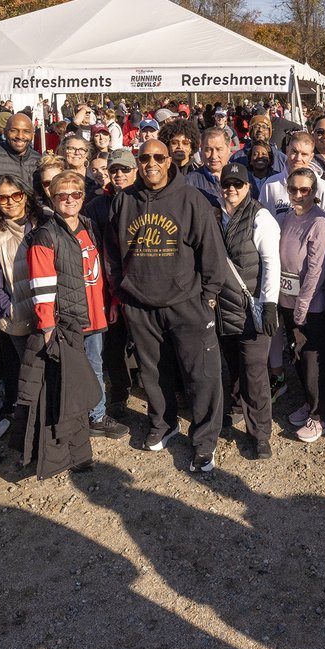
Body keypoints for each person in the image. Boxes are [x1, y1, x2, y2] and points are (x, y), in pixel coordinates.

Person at [105, 139, 226, 473]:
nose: (151, 163)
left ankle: (204, 441)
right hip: (140, 305)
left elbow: (212, 255)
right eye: (144, 158)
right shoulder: (123, 201)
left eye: (159, 157)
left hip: (187, 302)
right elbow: (112, 253)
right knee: (152, 372)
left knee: (201, 374)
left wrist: (207, 298)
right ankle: (163, 424)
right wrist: (122, 289)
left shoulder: (191, 200)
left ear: (170, 161)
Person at [18, 170, 127, 479]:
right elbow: (41, 283)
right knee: (77, 375)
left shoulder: (90, 226)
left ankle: (96, 415)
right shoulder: (46, 234)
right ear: (52, 199)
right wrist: (47, 323)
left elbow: (103, 268)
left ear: (83, 197)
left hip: (95, 312)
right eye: (61, 195)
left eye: (75, 194)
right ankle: (89, 421)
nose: (69, 200)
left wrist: (113, 303)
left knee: (94, 366)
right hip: (68, 318)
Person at [215, 163, 281, 459]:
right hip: (223, 307)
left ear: (248, 187)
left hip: (251, 306)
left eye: (237, 185)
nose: (231, 189)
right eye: (226, 184)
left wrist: (269, 304)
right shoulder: (216, 215)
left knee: (255, 373)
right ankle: (238, 407)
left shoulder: (261, 216)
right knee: (234, 365)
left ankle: (261, 433)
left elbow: (271, 264)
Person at [0, 174, 43, 434]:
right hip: (21, 321)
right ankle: (32, 432)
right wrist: (11, 309)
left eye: (16, 195)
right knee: (30, 378)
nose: (11, 202)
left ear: (25, 195)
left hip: (50, 314)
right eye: (3, 197)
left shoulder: (42, 223)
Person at [278, 167, 325, 443]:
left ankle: (320, 415)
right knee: (298, 357)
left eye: (305, 190)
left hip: (311, 306)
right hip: (287, 300)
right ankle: (309, 402)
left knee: (313, 360)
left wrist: (301, 307)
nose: (298, 195)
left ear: (314, 192)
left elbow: (315, 271)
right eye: (293, 189)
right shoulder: (289, 216)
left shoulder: (319, 223)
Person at [257, 132, 325, 223]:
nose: (298, 158)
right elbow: (261, 220)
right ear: (287, 151)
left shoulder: (322, 187)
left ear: (311, 156)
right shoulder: (271, 185)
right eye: (294, 152)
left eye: (304, 154)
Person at [0, 112, 40, 185]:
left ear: (33, 135)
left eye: (26, 131)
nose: (20, 136)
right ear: (5, 132)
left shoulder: (39, 161)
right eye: (14, 130)